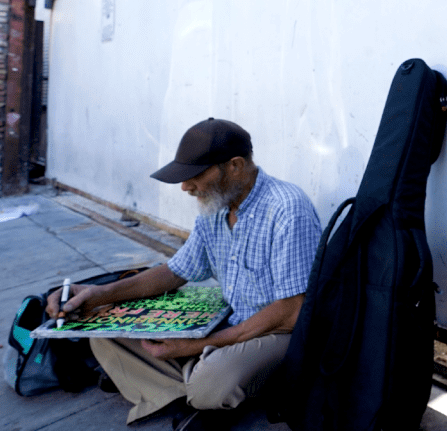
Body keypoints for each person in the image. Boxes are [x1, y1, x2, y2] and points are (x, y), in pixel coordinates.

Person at [46, 117, 321, 428]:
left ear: (234, 166)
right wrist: (100, 293)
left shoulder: (287, 208)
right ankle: (192, 386)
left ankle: (179, 381)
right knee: (101, 335)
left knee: (213, 382)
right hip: (232, 324)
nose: (185, 187)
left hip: (278, 332)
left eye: (195, 176)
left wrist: (198, 345)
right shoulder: (215, 206)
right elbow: (176, 272)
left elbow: (291, 312)